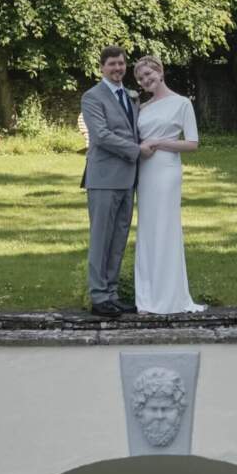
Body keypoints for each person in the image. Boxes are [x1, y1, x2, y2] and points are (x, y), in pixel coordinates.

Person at [133, 55, 205, 315]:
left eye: (149, 75)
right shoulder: (142, 107)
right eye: (141, 79)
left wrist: (158, 143)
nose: (146, 80)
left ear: (160, 72)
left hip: (166, 170)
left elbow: (193, 143)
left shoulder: (181, 103)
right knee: (148, 229)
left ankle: (170, 296)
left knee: (165, 227)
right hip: (145, 171)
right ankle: (148, 296)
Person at [80, 46, 147, 316]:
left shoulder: (131, 96)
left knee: (118, 239)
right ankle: (98, 297)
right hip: (104, 178)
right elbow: (102, 135)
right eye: (112, 64)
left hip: (127, 179)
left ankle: (112, 293)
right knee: (101, 239)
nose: (118, 68)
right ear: (102, 68)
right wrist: (137, 150)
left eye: (121, 63)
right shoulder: (92, 97)